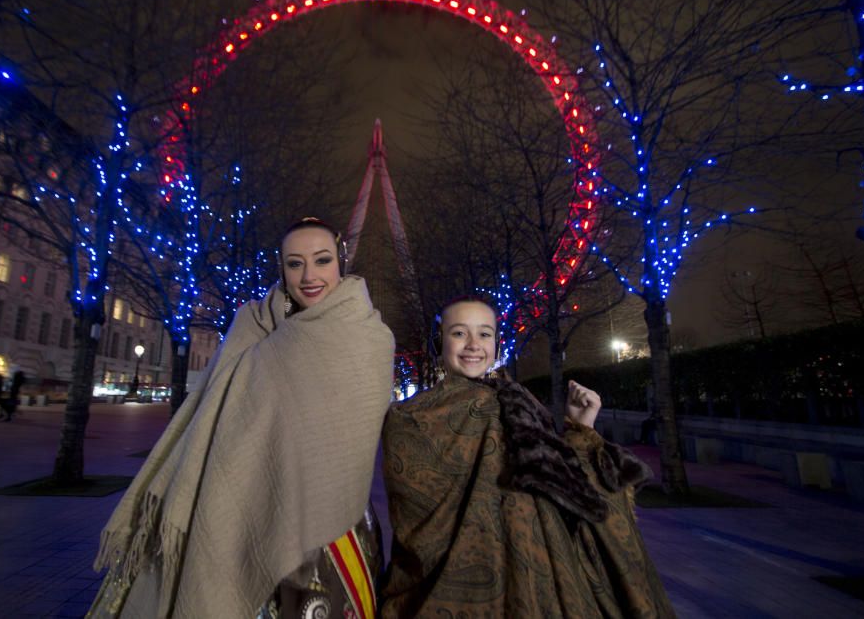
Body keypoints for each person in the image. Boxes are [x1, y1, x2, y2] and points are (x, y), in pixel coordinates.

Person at [90, 217, 394, 618]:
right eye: (294, 263)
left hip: (331, 519)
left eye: (321, 260)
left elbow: (355, 431)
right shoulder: (252, 325)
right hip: (249, 503)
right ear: (281, 269)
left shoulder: (368, 334)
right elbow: (214, 414)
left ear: (340, 262)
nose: (309, 276)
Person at [381, 296, 675, 618]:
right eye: (458, 333)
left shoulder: (517, 399)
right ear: (439, 342)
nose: (473, 345)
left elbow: (562, 480)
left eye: (484, 334)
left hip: (534, 569)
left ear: (496, 341)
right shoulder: (413, 417)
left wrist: (580, 425)